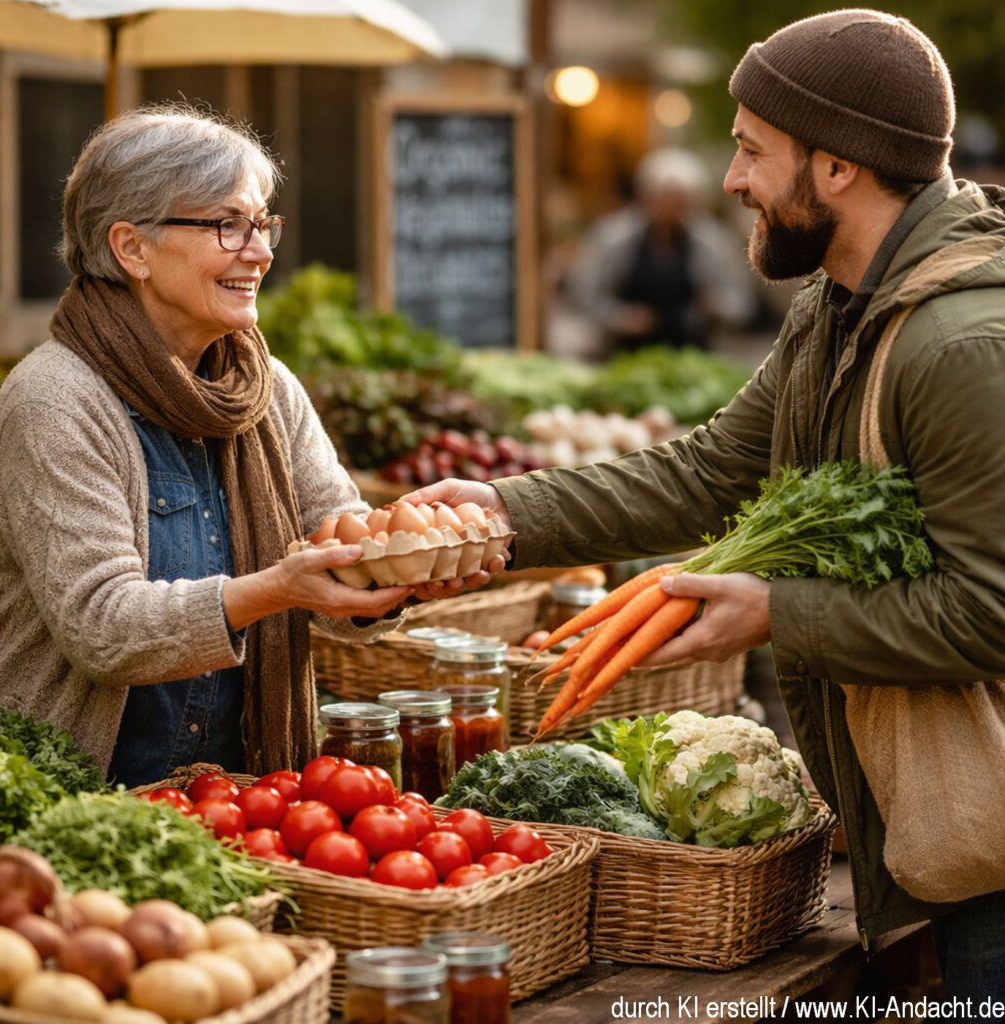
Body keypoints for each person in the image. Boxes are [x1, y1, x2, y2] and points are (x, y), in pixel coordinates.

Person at [407, 10, 1005, 1000]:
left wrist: (778, 611)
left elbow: (991, 609)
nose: (731, 180)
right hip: (939, 839)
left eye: (750, 151)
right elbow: (707, 470)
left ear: (837, 167)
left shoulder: (960, 349)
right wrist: (501, 514)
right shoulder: (836, 307)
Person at [0, 104, 493, 788]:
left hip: (242, 795)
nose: (261, 251)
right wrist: (275, 589)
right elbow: (102, 627)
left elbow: (332, 538)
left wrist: (398, 574)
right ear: (132, 247)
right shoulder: (54, 402)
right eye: (227, 225)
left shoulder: (264, 387)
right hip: (78, 797)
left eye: (261, 224)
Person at [566, 146, 756, 354]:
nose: (673, 210)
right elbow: (584, 294)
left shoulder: (714, 242)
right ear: (648, 197)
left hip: (695, 354)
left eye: (681, 202)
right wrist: (621, 318)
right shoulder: (612, 237)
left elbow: (742, 302)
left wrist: (717, 306)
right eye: (666, 200)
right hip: (621, 355)